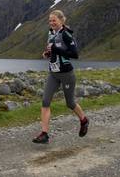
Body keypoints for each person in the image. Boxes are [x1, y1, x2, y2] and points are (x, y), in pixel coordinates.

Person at [32, 10, 89, 144]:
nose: (51, 23)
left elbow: (74, 54)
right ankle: (44, 134)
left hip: (66, 74)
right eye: (50, 20)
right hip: (53, 73)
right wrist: (47, 54)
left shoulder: (66, 35)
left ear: (61, 21)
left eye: (54, 20)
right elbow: (52, 50)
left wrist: (56, 51)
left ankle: (84, 120)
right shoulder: (51, 33)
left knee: (70, 103)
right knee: (45, 102)